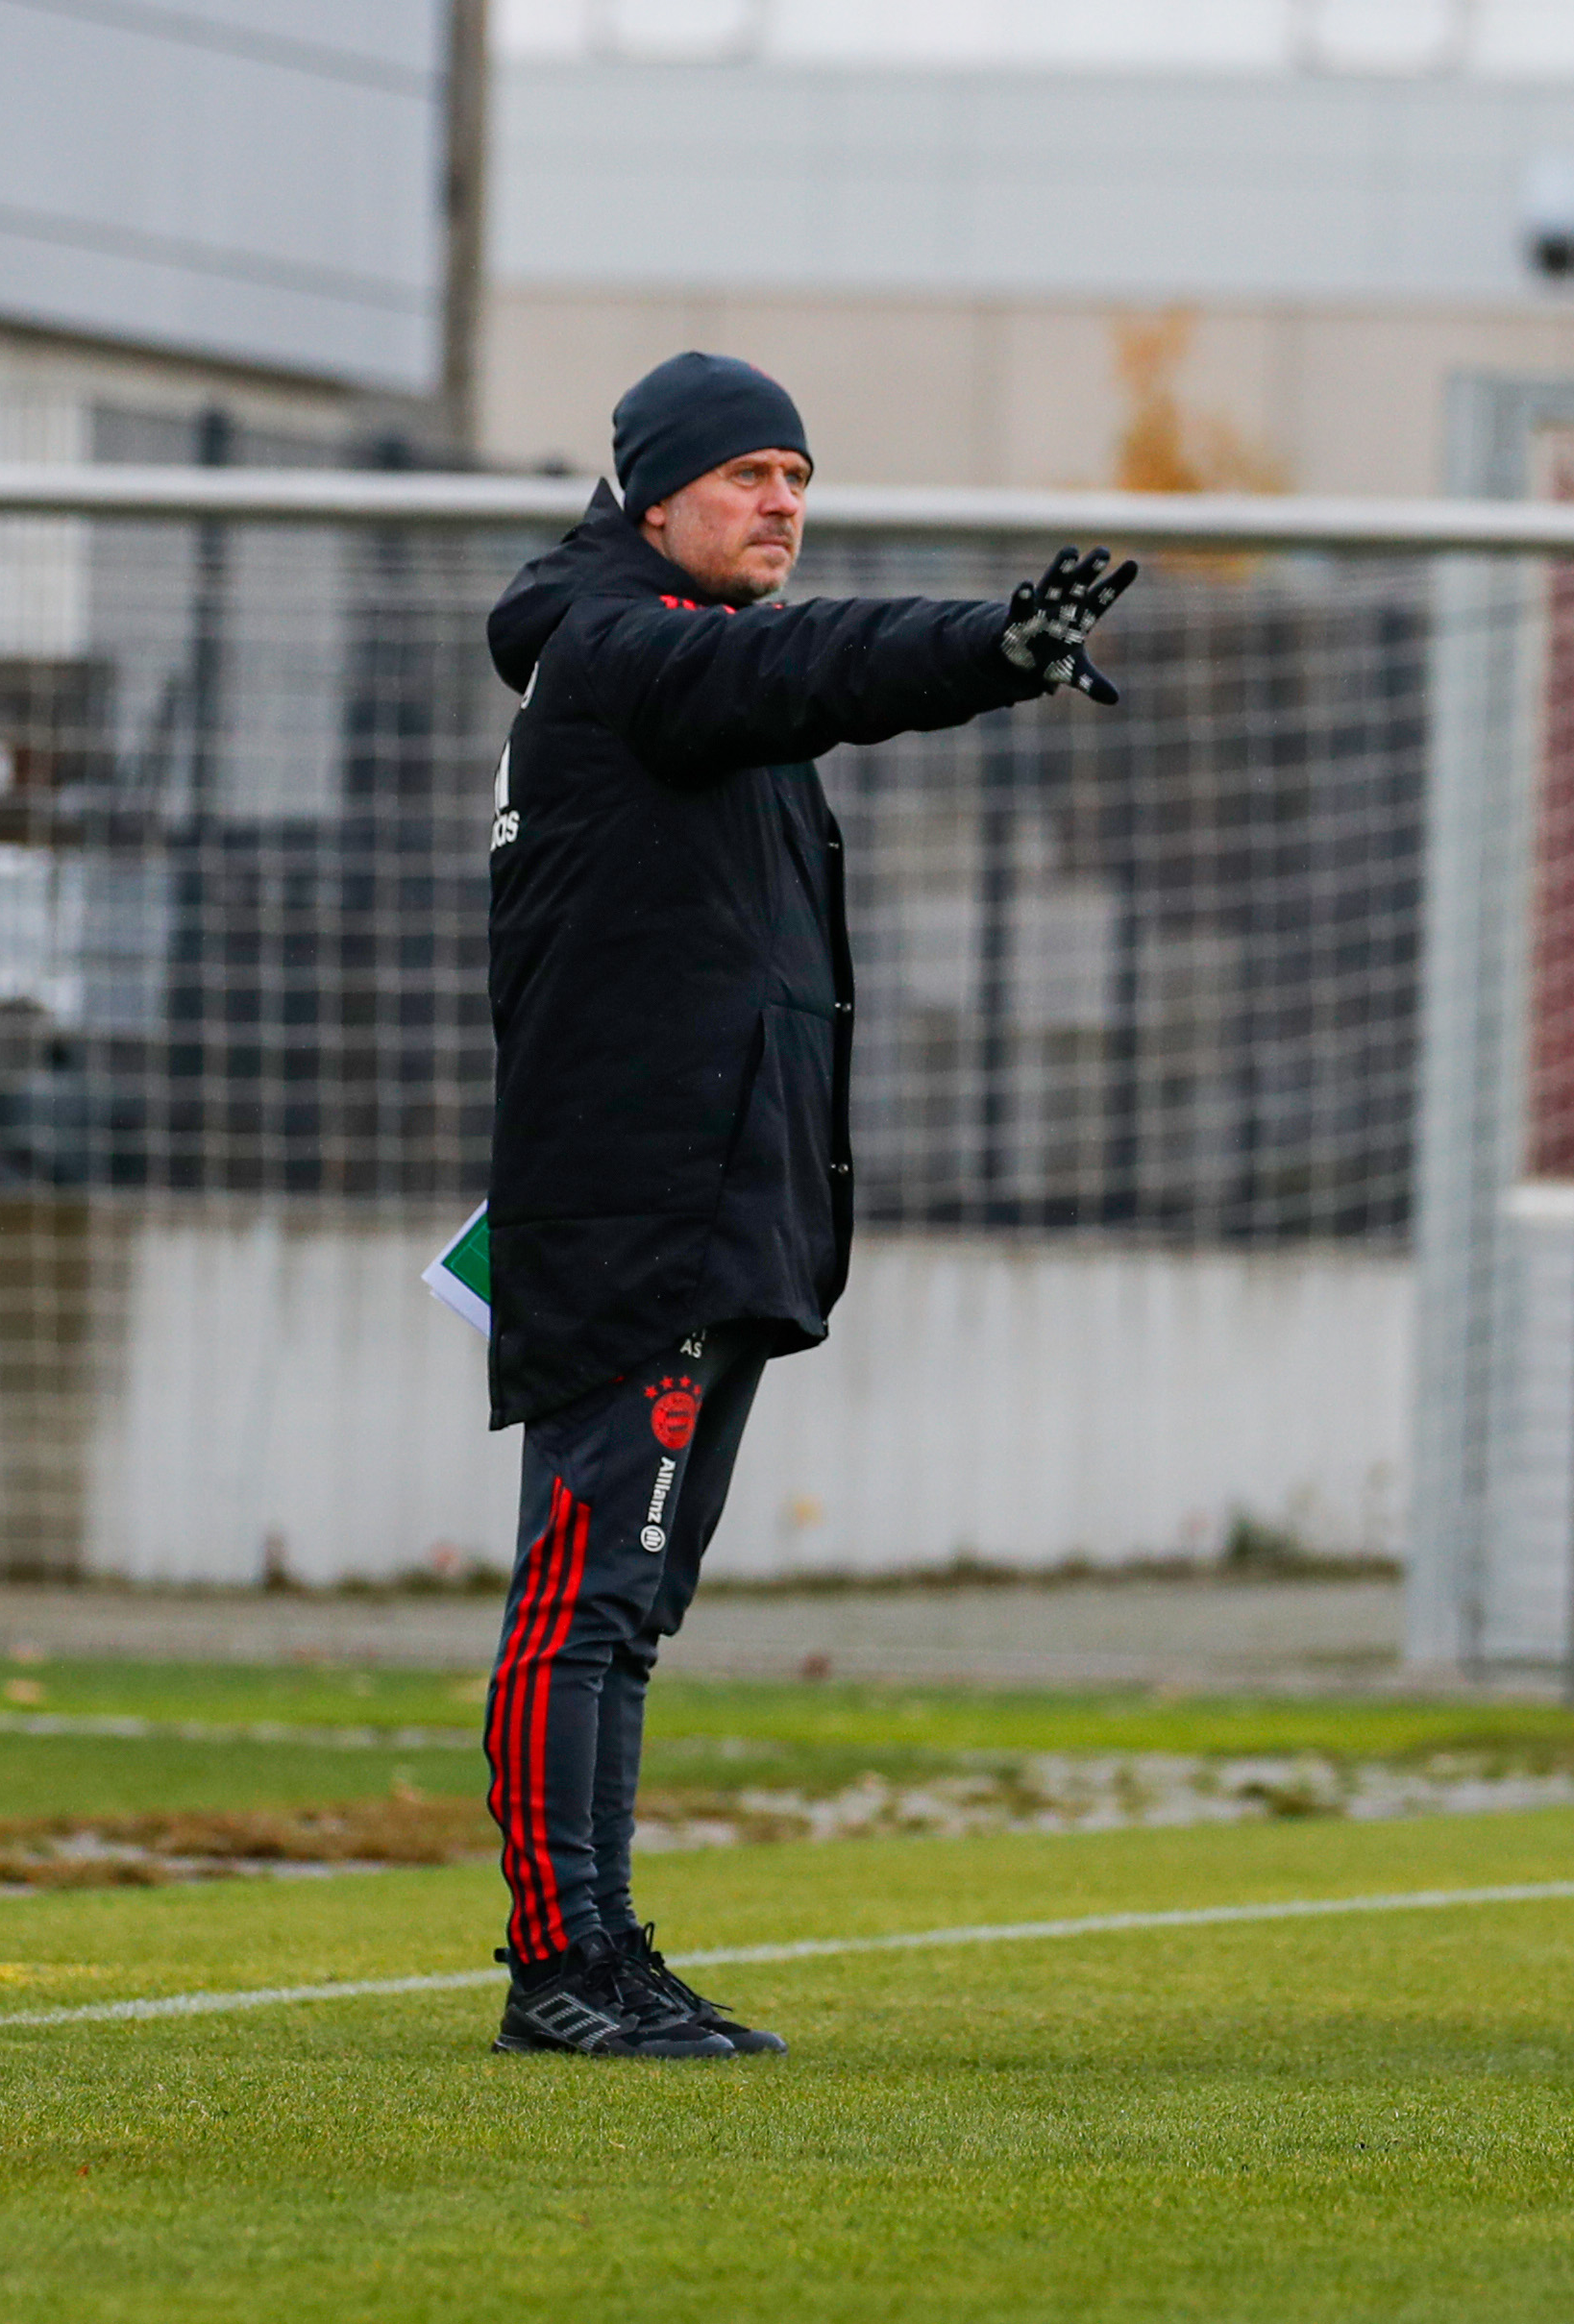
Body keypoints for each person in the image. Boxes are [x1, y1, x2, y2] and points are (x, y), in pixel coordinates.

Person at [476, 352, 1134, 2059]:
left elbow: (780, 680)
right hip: (635, 1203)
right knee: (587, 1592)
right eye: (753, 473)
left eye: (801, 477)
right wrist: (981, 648)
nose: (784, 503)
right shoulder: (621, 652)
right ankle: (563, 1969)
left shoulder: (675, 664)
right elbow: (808, 664)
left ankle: (605, 1952)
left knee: (634, 1603)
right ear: (653, 493)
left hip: (702, 1204)